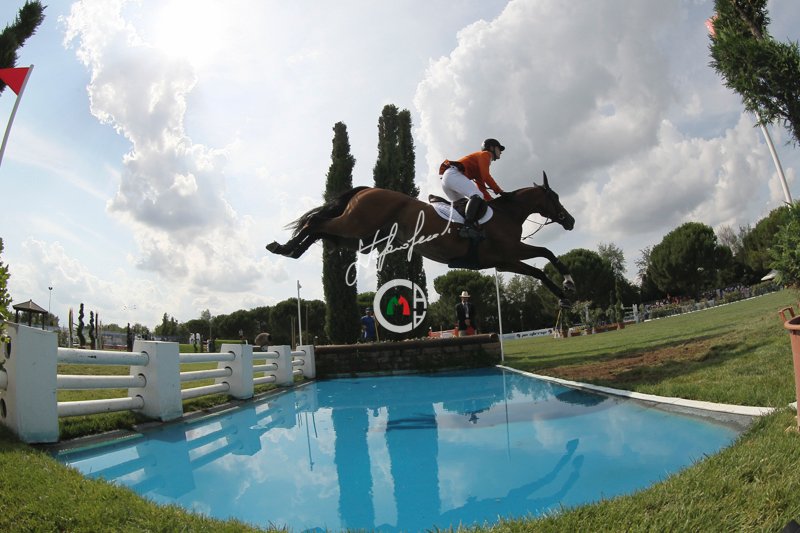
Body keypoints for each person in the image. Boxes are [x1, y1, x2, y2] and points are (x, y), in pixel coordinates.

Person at [439, 138, 507, 236]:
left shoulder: (481, 162)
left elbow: (481, 188)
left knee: (464, 208)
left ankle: (459, 230)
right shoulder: (486, 155)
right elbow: (486, 176)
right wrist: (500, 191)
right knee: (477, 196)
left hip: (448, 180)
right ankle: (468, 227)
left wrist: (492, 202)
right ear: (492, 148)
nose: (501, 152)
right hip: (453, 175)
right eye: (499, 149)